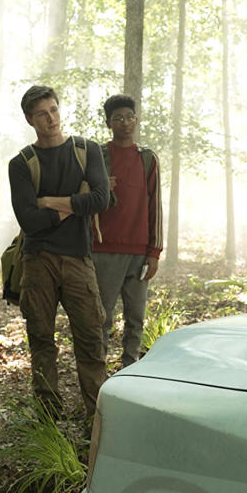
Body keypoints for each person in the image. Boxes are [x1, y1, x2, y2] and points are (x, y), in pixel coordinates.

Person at [8, 85, 110, 418]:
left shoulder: (86, 150)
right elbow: (28, 220)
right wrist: (74, 207)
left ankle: (97, 420)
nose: (50, 118)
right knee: (41, 340)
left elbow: (101, 200)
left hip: (79, 257)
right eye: (42, 113)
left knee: (91, 340)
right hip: (38, 260)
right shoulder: (22, 163)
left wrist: (53, 202)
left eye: (53, 110)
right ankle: (48, 421)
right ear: (29, 119)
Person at [92, 94, 162, 368]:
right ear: (109, 122)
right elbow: (81, 198)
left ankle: (130, 369)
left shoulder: (148, 159)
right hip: (105, 250)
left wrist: (154, 252)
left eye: (129, 117)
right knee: (102, 318)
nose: (125, 123)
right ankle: (97, 375)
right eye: (118, 118)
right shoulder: (99, 155)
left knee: (136, 317)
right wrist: (100, 188)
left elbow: (155, 205)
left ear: (136, 119)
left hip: (139, 252)